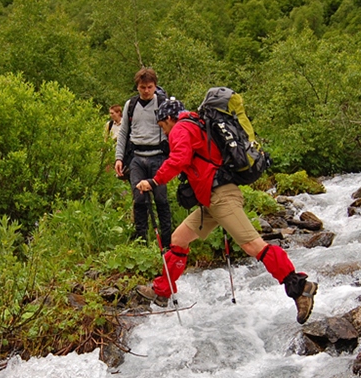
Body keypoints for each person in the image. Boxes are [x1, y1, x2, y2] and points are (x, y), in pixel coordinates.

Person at [135, 98, 318, 324]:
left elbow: (179, 158)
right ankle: (162, 291)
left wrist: (154, 181)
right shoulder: (197, 124)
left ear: (169, 118)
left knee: (252, 245)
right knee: (179, 238)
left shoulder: (181, 127)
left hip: (221, 197)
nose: (164, 131)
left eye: (162, 126)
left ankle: (300, 287)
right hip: (212, 201)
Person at [115, 68, 173, 247]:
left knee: (161, 199)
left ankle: (168, 242)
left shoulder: (163, 103)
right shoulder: (130, 105)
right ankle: (141, 242)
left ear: (155, 86)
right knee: (139, 200)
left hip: (159, 157)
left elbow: (174, 130)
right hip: (137, 158)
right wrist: (118, 158)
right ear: (137, 87)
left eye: (149, 87)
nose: (146, 91)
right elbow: (124, 132)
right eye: (142, 87)